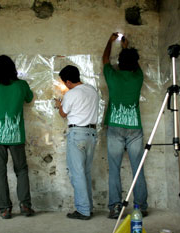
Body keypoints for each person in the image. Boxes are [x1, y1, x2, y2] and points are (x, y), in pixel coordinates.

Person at [0, 55, 35, 219]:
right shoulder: (21, 85)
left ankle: (4, 209)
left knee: (0, 172)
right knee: (22, 170)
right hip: (16, 136)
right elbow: (29, 98)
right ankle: (25, 205)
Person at [102, 33, 148, 219]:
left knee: (114, 168)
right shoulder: (138, 77)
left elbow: (105, 59)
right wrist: (126, 48)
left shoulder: (112, 76)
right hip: (135, 128)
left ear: (119, 62)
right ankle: (141, 206)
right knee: (138, 168)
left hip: (115, 127)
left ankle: (115, 207)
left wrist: (110, 41)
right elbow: (133, 64)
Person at [55, 65, 99, 220]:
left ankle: (83, 210)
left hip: (77, 134)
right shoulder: (92, 90)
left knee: (77, 174)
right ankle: (88, 207)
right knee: (85, 172)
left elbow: (62, 114)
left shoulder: (71, 94)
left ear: (67, 81)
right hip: (92, 134)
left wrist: (58, 105)